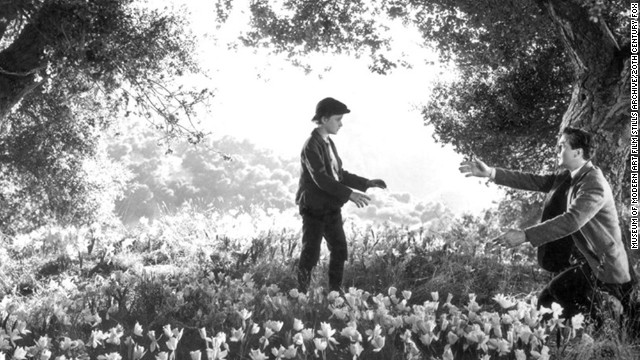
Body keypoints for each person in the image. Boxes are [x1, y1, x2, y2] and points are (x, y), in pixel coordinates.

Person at [459, 127, 633, 323]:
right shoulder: (571, 175)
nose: (557, 151)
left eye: (562, 147)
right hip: (591, 265)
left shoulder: (594, 183)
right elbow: (534, 181)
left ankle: (604, 325)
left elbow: (572, 220)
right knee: (550, 300)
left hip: (607, 270)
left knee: (598, 315)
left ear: (577, 152)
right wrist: (491, 173)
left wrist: (525, 235)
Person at [295, 97, 386, 293]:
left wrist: (366, 183)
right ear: (325, 119)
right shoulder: (311, 145)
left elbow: (339, 175)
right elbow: (320, 177)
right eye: (338, 119)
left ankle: (335, 294)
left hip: (330, 206)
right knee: (310, 253)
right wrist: (349, 194)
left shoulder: (328, 143)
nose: (341, 124)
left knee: (339, 250)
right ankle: (299, 295)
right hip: (314, 208)